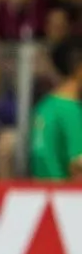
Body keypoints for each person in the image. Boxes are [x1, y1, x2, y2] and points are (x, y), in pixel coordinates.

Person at [30, 35, 82, 179]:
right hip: (64, 190)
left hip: (40, 188)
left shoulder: (44, 106)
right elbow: (78, 166)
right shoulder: (72, 111)